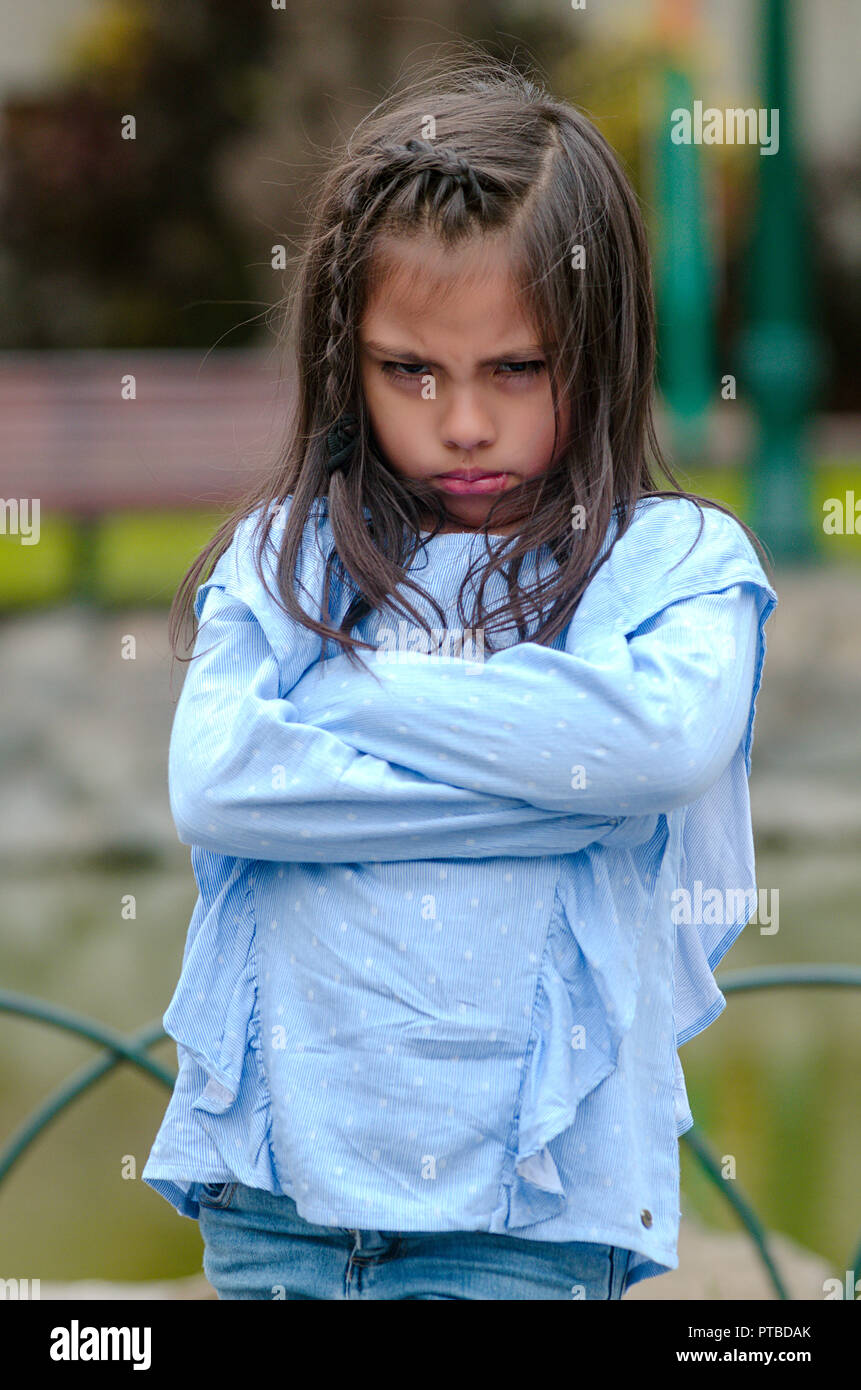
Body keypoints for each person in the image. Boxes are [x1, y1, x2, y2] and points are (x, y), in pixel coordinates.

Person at [142, 52, 778, 1300]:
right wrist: (563, 797)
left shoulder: (676, 563)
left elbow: (650, 750)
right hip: (276, 1197)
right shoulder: (290, 555)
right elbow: (219, 786)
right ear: (348, 359)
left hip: (529, 1215)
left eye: (517, 368)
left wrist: (339, 693)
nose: (465, 422)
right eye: (411, 370)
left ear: (599, 344)